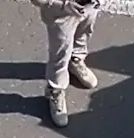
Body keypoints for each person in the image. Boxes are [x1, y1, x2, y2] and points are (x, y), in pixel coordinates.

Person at [29, 0, 103, 129]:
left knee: (84, 33)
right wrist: (65, 5)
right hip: (61, 11)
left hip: (89, 4)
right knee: (60, 51)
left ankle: (75, 60)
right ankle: (55, 89)